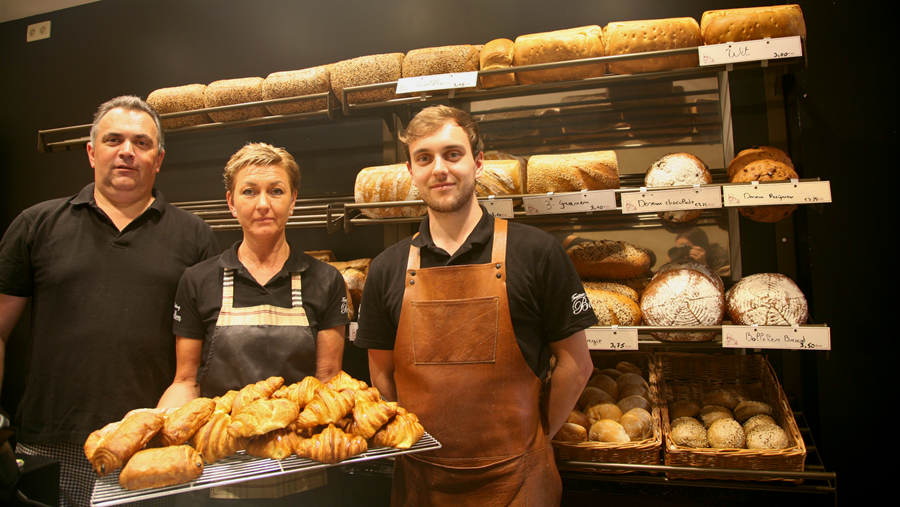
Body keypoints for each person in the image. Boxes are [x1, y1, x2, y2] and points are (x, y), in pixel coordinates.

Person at [354, 105, 597, 506]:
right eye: (424, 158)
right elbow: (381, 371)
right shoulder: (386, 268)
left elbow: (577, 364)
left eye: (453, 154)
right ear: (411, 171)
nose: (439, 169)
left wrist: (535, 439)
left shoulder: (537, 252)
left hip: (520, 482)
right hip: (421, 483)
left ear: (478, 162)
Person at [0, 95, 220, 507]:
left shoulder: (194, 237)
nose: (126, 151)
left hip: (149, 448)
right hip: (50, 441)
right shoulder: (36, 225)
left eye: (141, 143)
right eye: (113, 139)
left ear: (158, 159)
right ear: (91, 152)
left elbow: (205, 354)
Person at [158, 143, 349, 504]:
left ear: (293, 201)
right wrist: (159, 428)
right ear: (231, 203)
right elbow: (185, 381)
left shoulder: (325, 280)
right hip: (221, 464)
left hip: (302, 464)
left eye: (276, 191)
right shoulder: (198, 281)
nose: (263, 204)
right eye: (249, 191)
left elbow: (328, 380)